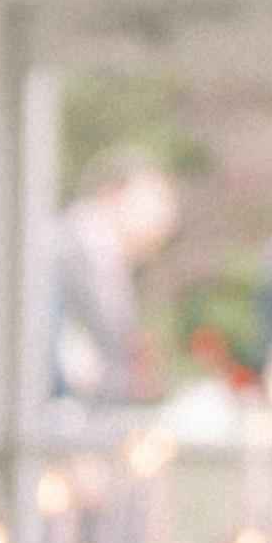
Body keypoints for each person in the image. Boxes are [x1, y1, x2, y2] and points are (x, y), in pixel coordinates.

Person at [39, 159, 177, 416]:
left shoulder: (112, 261)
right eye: (157, 198)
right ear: (112, 193)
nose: (167, 217)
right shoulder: (58, 249)